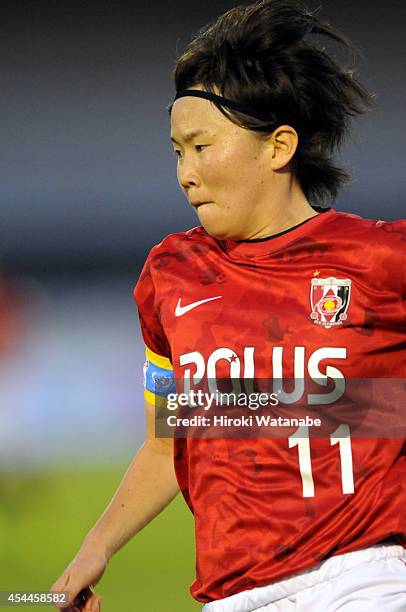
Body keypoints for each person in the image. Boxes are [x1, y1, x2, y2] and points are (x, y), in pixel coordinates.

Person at [51, 1, 405, 610]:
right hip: (230, 595)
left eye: (201, 146)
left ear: (279, 146)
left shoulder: (377, 258)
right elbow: (168, 441)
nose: (185, 173)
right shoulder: (170, 277)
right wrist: (97, 547)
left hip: (363, 578)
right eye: (176, 151)